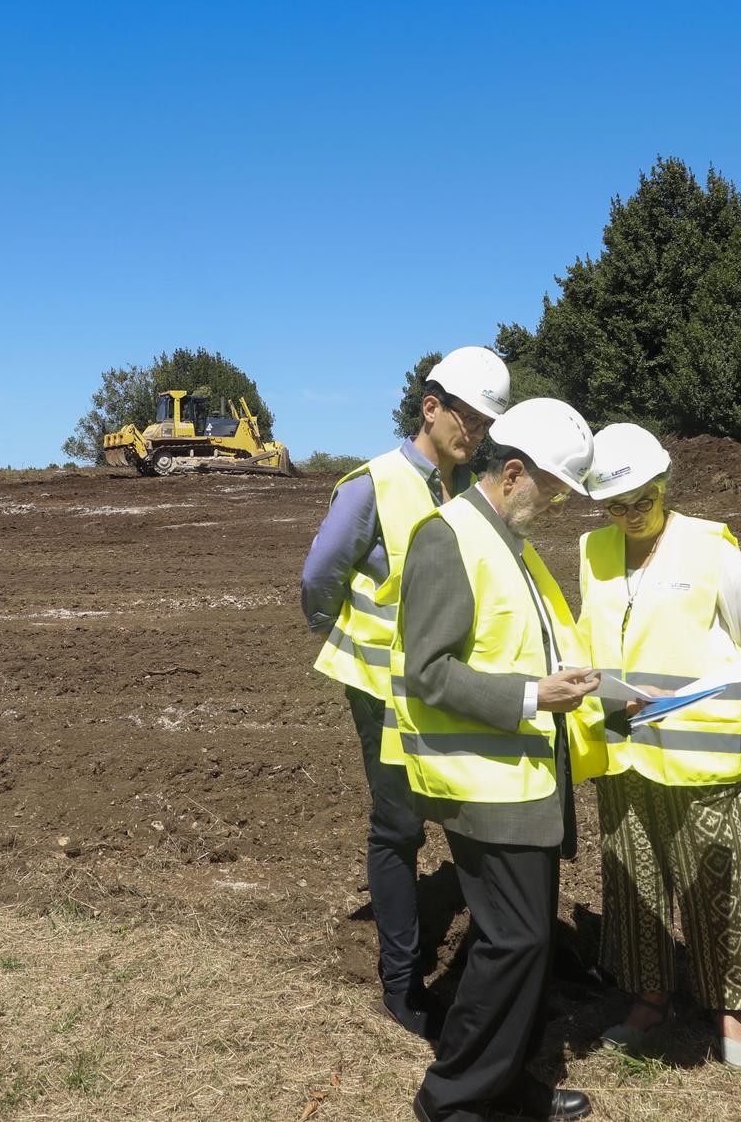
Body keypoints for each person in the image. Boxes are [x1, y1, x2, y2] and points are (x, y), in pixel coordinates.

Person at [391, 397, 601, 1122]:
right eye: (553, 491)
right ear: (512, 473)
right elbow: (429, 672)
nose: (557, 508)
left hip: (526, 777)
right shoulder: (448, 537)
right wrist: (531, 696)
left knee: (524, 942)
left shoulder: (511, 540)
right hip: (484, 783)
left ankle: (506, 1084)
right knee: (516, 940)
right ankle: (452, 1100)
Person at [300, 345, 512, 1038]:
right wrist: (353, 646)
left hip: (442, 685)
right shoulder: (371, 484)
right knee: (397, 827)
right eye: (467, 419)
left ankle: (492, 956)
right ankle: (402, 984)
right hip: (383, 692)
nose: (473, 434)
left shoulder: (461, 491)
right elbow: (318, 581)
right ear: (431, 407)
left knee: (462, 811)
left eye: (484, 425)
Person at [576, 424, 741, 1069]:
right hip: (624, 747)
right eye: (615, 504)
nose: (631, 514)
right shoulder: (591, 550)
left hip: (700, 751)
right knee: (632, 880)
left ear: (665, 484)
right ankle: (649, 997)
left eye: (643, 498)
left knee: (715, 878)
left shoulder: (711, 547)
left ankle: (729, 1007)